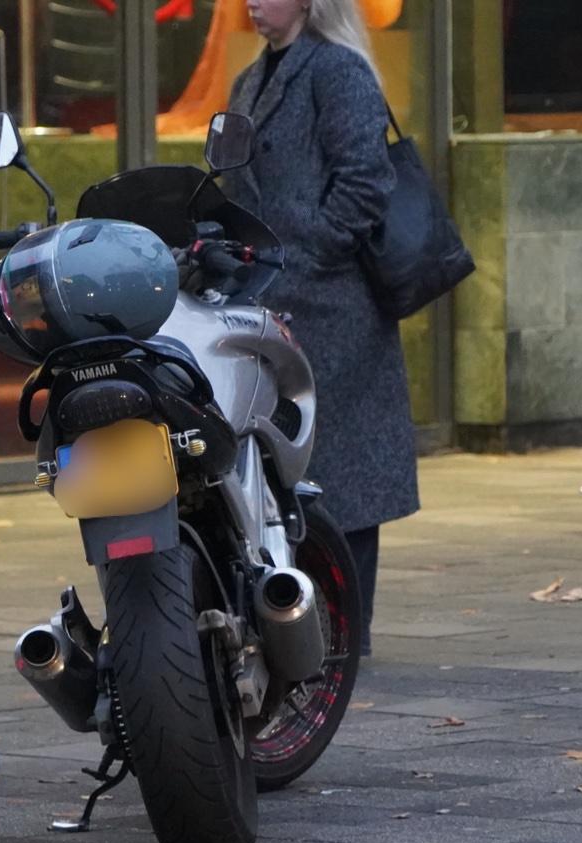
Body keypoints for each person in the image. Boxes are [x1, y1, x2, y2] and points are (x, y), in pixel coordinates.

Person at [223, 0, 418, 657]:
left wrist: (303, 260)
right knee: (286, 475)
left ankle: (343, 640)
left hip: (334, 310)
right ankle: (299, 629)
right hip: (270, 309)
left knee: (343, 483)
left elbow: (365, 184)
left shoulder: (337, 71)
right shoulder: (250, 80)